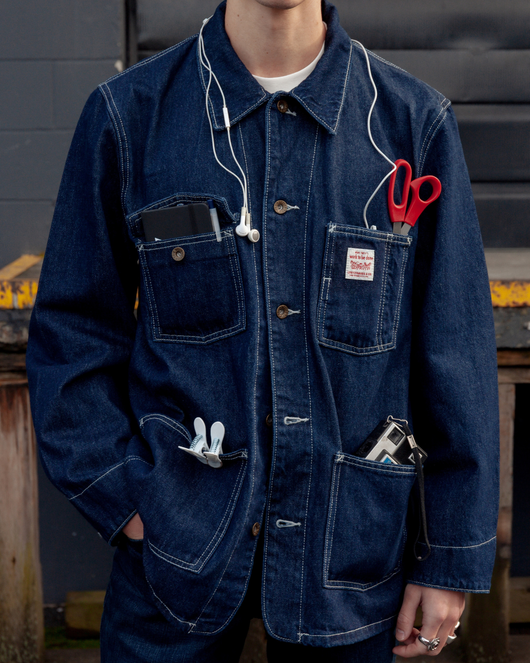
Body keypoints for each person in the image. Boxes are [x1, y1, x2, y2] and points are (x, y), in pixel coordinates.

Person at [26, 0, 499, 660]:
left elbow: (456, 358)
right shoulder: (129, 116)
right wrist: (129, 499)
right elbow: (72, 332)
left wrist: (448, 557)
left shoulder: (412, 125)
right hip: (171, 568)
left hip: (351, 569)